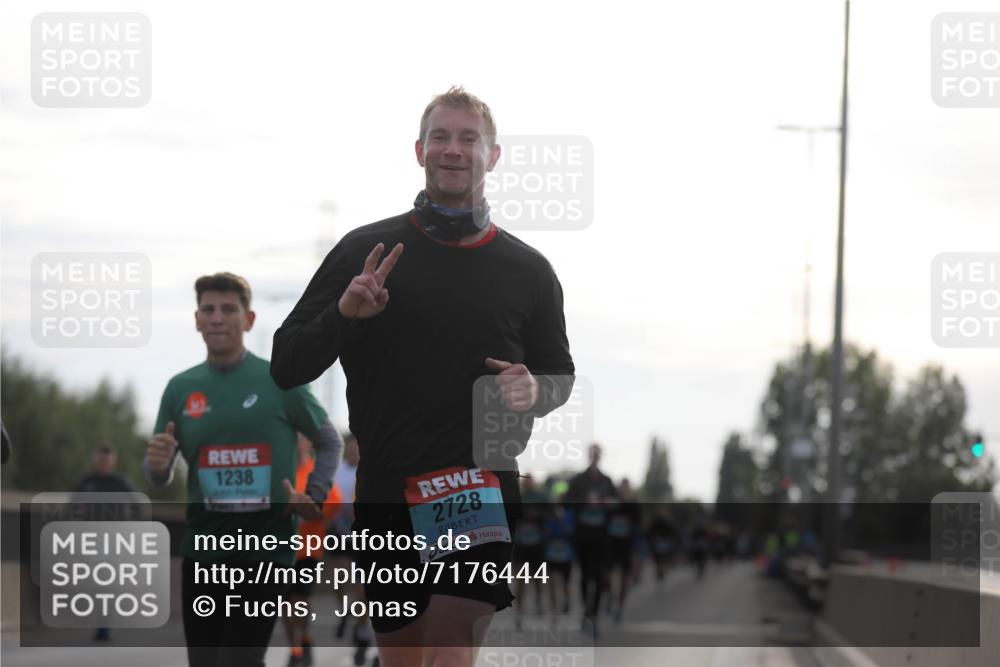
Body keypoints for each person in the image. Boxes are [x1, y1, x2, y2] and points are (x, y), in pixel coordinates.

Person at [270, 86, 575, 667]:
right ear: (419, 150)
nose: (453, 149)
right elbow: (287, 364)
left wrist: (535, 389)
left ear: (493, 155)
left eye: (468, 138)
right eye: (440, 137)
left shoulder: (530, 271)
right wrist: (343, 316)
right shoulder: (365, 251)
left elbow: (559, 372)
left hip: (478, 486)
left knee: (450, 655)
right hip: (388, 489)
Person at [144, 272, 343, 667]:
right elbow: (157, 471)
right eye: (208, 310)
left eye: (228, 309)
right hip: (203, 550)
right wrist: (158, 468)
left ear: (248, 320)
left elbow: (329, 441)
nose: (217, 318)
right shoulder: (180, 388)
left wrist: (315, 494)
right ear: (197, 320)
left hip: (266, 547)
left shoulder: (280, 379)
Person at [285, 435, 343, 667]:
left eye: (300, 438)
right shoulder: (281, 472)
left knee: (300, 600)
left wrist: (313, 512)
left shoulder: (314, 472)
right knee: (286, 604)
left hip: (308, 550)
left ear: (308, 444)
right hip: (281, 550)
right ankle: (295, 649)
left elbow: (334, 501)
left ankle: (305, 639)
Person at [74, 445, 136, 640]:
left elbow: (137, 508)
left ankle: (104, 626)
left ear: (113, 462)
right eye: (101, 460)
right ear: (96, 460)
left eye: (107, 460)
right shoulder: (87, 482)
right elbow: (73, 507)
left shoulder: (121, 483)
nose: (103, 464)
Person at [563, 443, 617, 633]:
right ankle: (586, 612)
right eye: (592, 453)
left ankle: (594, 615)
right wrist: (584, 502)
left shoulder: (607, 481)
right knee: (585, 576)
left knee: (600, 576)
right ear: (588, 455)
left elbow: (616, 503)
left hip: (601, 536)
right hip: (583, 536)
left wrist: (606, 503)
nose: (595, 457)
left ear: (600, 456)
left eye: (597, 454)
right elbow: (566, 502)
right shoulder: (578, 480)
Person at [605, 479, 641, 623]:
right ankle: (610, 595)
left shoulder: (633, 505)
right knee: (608, 574)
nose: (623, 490)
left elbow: (638, 522)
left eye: (625, 487)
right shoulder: (612, 503)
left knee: (625, 578)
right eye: (621, 487)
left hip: (627, 546)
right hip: (611, 545)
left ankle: (619, 607)